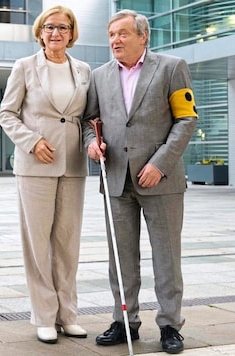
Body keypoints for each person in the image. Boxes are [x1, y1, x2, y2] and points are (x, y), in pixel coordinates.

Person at [82, 9, 198, 354]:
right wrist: (92, 141)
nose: (115, 40)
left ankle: (170, 326)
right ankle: (124, 321)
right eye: (111, 35)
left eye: (122, 34)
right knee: (120, 258)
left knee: (166, 256)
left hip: (160, 181)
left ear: (142, 36)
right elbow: (90, 120)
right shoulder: (99, 75)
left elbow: (186, 120)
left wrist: (160, 163)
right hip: (116, 179)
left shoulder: (171, 67)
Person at [0, 5, 90, 345]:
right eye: (50, 27)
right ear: (40, 32)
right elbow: (6, 114)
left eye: (63, 28)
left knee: (67, 244)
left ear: (71, 33)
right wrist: (32, 141)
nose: (56, 33)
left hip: (73, 166)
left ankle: (69, 314)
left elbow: (87, 116)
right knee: (38, 243)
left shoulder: (83, 70)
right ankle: (45, 316)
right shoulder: (24, 67)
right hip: (35, 166)